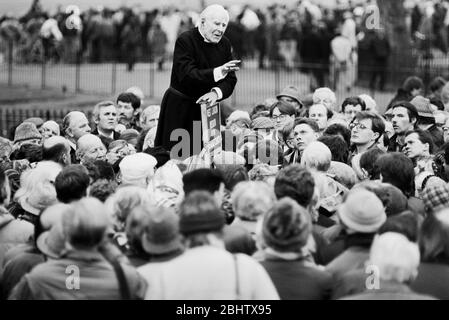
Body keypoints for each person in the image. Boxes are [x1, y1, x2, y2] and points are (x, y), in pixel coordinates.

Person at [155, 4, 239, 159]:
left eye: (223, 25)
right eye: (216, 24)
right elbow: (187, 75)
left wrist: (216, 93)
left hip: (208, 110)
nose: (220, 29)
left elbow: (231, 79)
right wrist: (219, 71)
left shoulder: (225, 43)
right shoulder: (185, 40)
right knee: (176, 157)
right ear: (202, 22)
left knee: (205, 156)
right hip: (180, 108)